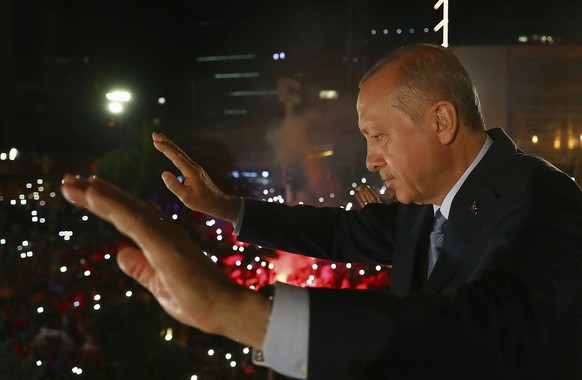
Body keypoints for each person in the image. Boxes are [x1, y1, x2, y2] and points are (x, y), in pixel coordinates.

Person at [61, 44, 582, 380]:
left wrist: (240, 314)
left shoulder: (545, 201)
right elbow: (343, 233)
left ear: (441, 120)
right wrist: (224, 206)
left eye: (378, 137)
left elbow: (488, 327)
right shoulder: (429, 202)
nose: (371, 158)